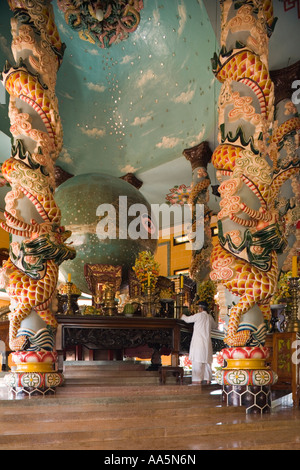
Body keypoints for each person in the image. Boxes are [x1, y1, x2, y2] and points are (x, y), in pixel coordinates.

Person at [181, 301, 217, 385]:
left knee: (197, 361)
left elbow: (187, 319)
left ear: (200, 308)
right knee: (207, 361)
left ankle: (197, 380)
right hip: (207, 342)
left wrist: (182, 315)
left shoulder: (198, 315)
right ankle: (207, 379)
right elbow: (215, 326)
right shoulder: (209, 317)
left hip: (199, 342)